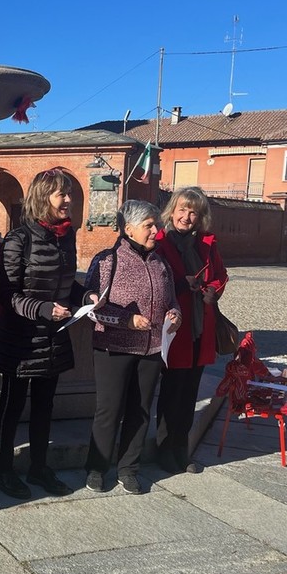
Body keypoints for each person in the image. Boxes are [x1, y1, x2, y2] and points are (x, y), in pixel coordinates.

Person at [0, 168, 92, 500]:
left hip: (54, 336)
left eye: (70, 194)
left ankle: (39, 467)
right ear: (42, 197)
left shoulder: (67, 236)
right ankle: (3, 471)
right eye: (61, 194)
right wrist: (44, 309)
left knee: (45, 406)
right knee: (12, 406)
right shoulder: (18, 239)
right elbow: (6, 294)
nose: (68, 200)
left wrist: (83, 296)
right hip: (21, 339)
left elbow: (63, 283)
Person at [84, 199, 181, 496]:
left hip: (152, 349)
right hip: (113, 348)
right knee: (109, 411)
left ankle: (129, 468)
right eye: (149, 226)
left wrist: (175, 314)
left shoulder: (162, 262)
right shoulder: (107, 260)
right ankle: (97, 467)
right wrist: (126, 320)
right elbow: (91, 307)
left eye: (157, 225)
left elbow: (172, 300)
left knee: (139, 411)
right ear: (129, 229)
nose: (156, 231)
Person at [155, 187, 228, 475]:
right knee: (171, 393)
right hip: (176, 329)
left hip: (201, 327)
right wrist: (180, 285)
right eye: (182, 210)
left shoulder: (206, 243)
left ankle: (180, 449)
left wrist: (213, 290)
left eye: (193, 212)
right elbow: (154, 279)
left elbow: (221, 275)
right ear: (172, 211)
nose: (187, 217)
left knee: (189, 394)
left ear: (200, 217)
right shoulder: (160, 241)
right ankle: (163, 449)